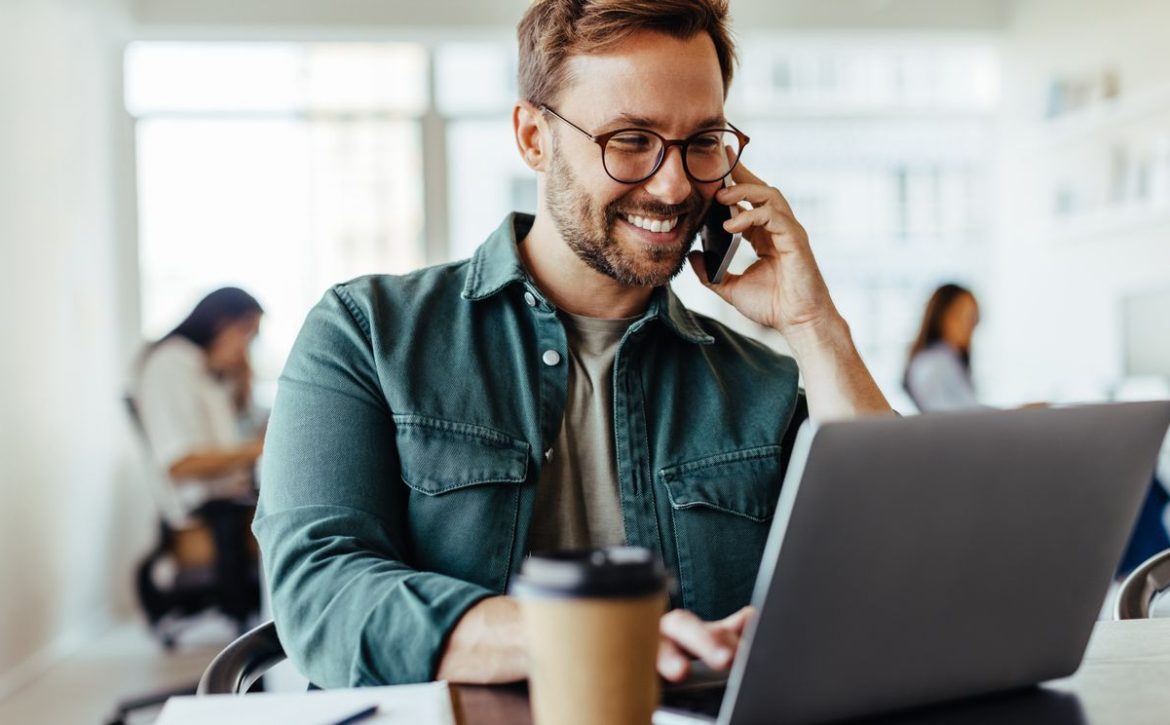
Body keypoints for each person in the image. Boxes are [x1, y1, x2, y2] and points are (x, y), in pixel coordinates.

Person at [255, 0, 892, 690]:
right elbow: (323, 591)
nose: (675, 184)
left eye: (703, 141)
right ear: (534, 136)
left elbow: (900, 568)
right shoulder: (367, 333)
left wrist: (812, 322)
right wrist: (591, 633)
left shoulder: (760, 386)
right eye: (630, 139)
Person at [134, 286, 266, 620]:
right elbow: (180, 463)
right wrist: (256, 450)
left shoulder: (207, 373)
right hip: (206, 511)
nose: (245, 348)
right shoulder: (171, 365)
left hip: (226, 498)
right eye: (245, 334)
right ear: (220, 323)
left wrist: (242, 389)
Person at [903, 283, 984, 412]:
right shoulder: (934, 363)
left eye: (973, 318)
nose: (968, 326)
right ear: (941, 316)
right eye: (962, 316)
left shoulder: (948, 359)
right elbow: (962, 417)